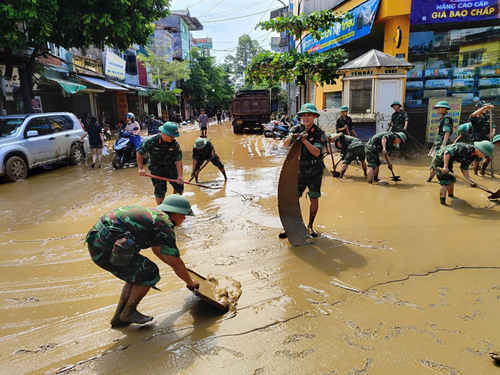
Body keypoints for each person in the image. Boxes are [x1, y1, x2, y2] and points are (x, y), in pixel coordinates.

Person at [84, 195, 199, 328]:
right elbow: (176, 262)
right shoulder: (164, 225)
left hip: (97, 243)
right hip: (105, 249)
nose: (184, 219)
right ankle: (129, 312)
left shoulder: (153, 217)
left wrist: (175, 266)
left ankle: (119, 318)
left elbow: (157, 250)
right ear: (175, 213)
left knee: (136, 273)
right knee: (150, 273)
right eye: (184, 215)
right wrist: (190, 283)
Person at [283, 103, 327, 237]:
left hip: (315, 169)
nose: (306, 118)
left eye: (309, 115)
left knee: (314, 198)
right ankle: (292, 226)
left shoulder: (319, 133)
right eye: (303, 115)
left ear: (314, 116)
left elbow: (317, 153)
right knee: (293, 198)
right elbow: (285, 144)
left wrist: (305, 141)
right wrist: (291, 137)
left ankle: (310, 226)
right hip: (299, 169)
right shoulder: (297, 128)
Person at [431, 141, 493, 205]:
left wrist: (469, 180)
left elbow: (464, 167)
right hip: (441, 158)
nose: (484, 156)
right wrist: (445, 167)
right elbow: (447, 152)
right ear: (479, 149)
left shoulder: (474, 155)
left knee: (452, 179)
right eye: (485, 153)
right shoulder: (465, 148)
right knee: (445, 181)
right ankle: (442, 203)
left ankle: (451, 196)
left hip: (450, 160)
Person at [137, 122, 184, 205]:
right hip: (157, 169)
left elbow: (178, 160)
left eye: (174, 136)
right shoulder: (151, 141)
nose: (173, 138)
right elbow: (140, 152)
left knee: (179, 187)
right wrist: (140, 168)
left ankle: (175, 207)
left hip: (171, 167)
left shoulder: (175, 144)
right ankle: (161, 210)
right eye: (171, 136)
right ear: (163, 133)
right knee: (160, 190)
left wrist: (180, 175)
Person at [427, 101, 453, 182]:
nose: (437, 110)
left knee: (435, 163)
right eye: (437, 108)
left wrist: (443, 144)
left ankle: (429, 181)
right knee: (441, 163)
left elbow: (447, 132)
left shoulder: (446, 118)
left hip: (442, 145)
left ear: (444, 108)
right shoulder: (443, 117)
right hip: (439, 143)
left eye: (439, 108)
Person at [469, 101, 496, 175]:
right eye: (484, 108)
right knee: (477, 159)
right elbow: (472, 115)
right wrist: (484, 107)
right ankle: (475, 174)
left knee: (489, 157)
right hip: (476, 140)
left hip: (486, 140)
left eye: (486, 108)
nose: (486, 109)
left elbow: (493, 126)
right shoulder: (475, 117)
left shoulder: (488, 117)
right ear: (479, 108)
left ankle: (482, 171)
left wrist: (493, 132)